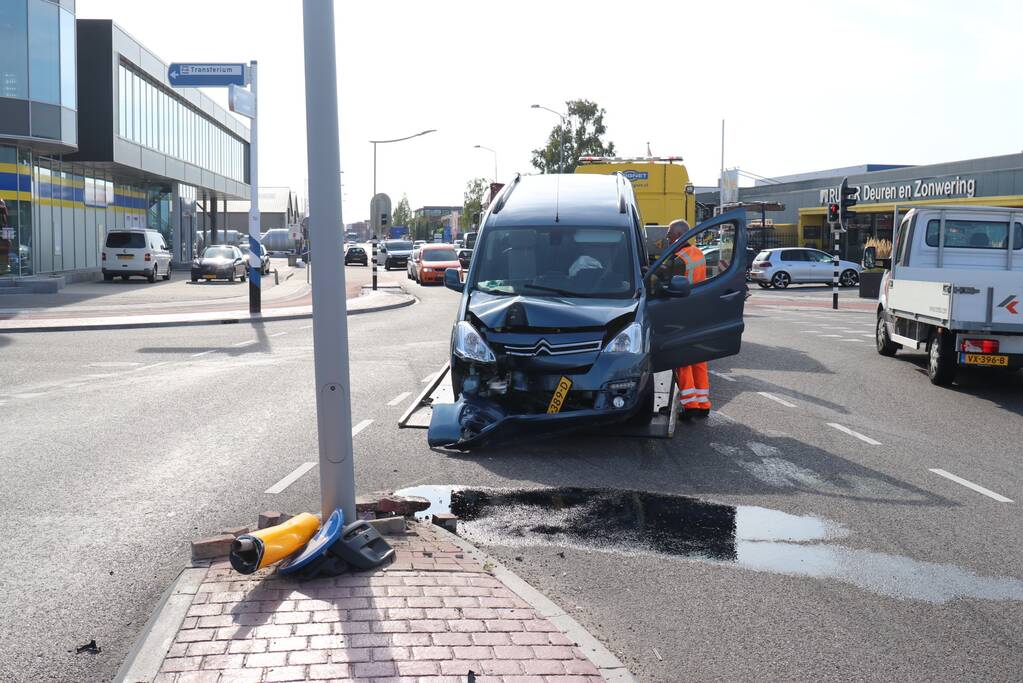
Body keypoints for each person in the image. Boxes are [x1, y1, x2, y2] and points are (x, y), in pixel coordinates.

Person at [664, 219, 711, 418]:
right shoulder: (698, 253)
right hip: (699, 311)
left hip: (681, 313)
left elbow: (663, 284)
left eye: (668, 233)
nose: (666, 237)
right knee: (699, 359)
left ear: (676, 235)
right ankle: (703, 403)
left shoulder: (677, 259)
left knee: (682, 360)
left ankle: (690, 405)